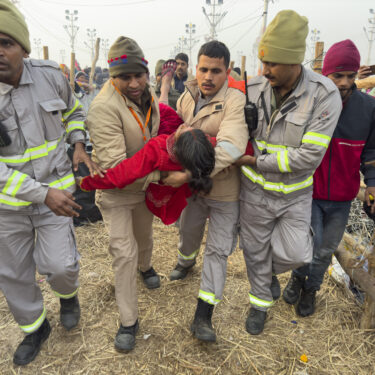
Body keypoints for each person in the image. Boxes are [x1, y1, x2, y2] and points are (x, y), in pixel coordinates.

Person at [0, 0, 101, 365]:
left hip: (59, 194)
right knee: (13, 274)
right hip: (10, 206)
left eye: (4, 42)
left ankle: (68, 295)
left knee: (60, 266)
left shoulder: (50, 75)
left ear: (23, 48)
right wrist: (42, 195)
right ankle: (35, 327)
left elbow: (74, 110)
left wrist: (77, 145)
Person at [236, 10, 341, 335]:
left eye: (273, 64)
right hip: (254, 192)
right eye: (263, 62)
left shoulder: (324, 95)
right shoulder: (252, 88)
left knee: (297, 252)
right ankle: (259, 304)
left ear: (296, 61)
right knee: (253, 252)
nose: (265, 70)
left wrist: (256, 161)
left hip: (295, 194)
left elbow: (309, 157)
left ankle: (268, 275)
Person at [283, 40, 375, 317]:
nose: (344, 82)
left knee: (325, 249)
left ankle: (311, 288)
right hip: (309, 192)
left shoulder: (368, 109)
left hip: (342, 197)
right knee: (308, 244)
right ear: (326, 74)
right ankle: (298, 277)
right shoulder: (309, 104)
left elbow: (370, 151)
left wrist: (371, 182)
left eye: (350, 75)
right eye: (338, 75)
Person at [164, 40, 248, 342]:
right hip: (194, 192)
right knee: (188, 233)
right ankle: (185, 262)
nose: (208, 76)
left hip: (224, 190)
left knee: (218, 251)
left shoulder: (235, 101)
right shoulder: (187, 96)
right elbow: (174, 133)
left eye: (216, 70)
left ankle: (204, 314)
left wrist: (189, 171)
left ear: (227, 71)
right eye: (203, 69)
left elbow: (231, 148)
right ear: (196, 69)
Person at [85, 36, 161, 352]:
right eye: (125, 77)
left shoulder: (149, 94)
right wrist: (163, 171)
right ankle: (129, 320)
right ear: (113, 77)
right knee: (123, 252)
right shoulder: (103, 107)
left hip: (143, 188)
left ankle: (147, 267)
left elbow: (154, 132)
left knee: (144, 239)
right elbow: (117, 167)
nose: (134, 83)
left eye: (138, 75)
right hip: (116, 190)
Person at [79, 111, 216, 224]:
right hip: (178, 196)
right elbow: (223, 147)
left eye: (185, 129)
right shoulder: (203, 150)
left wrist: (87, 182)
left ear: (177, 144)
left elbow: (122, 174)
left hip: (161, 197)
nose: (185, 125)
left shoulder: (157, 149)